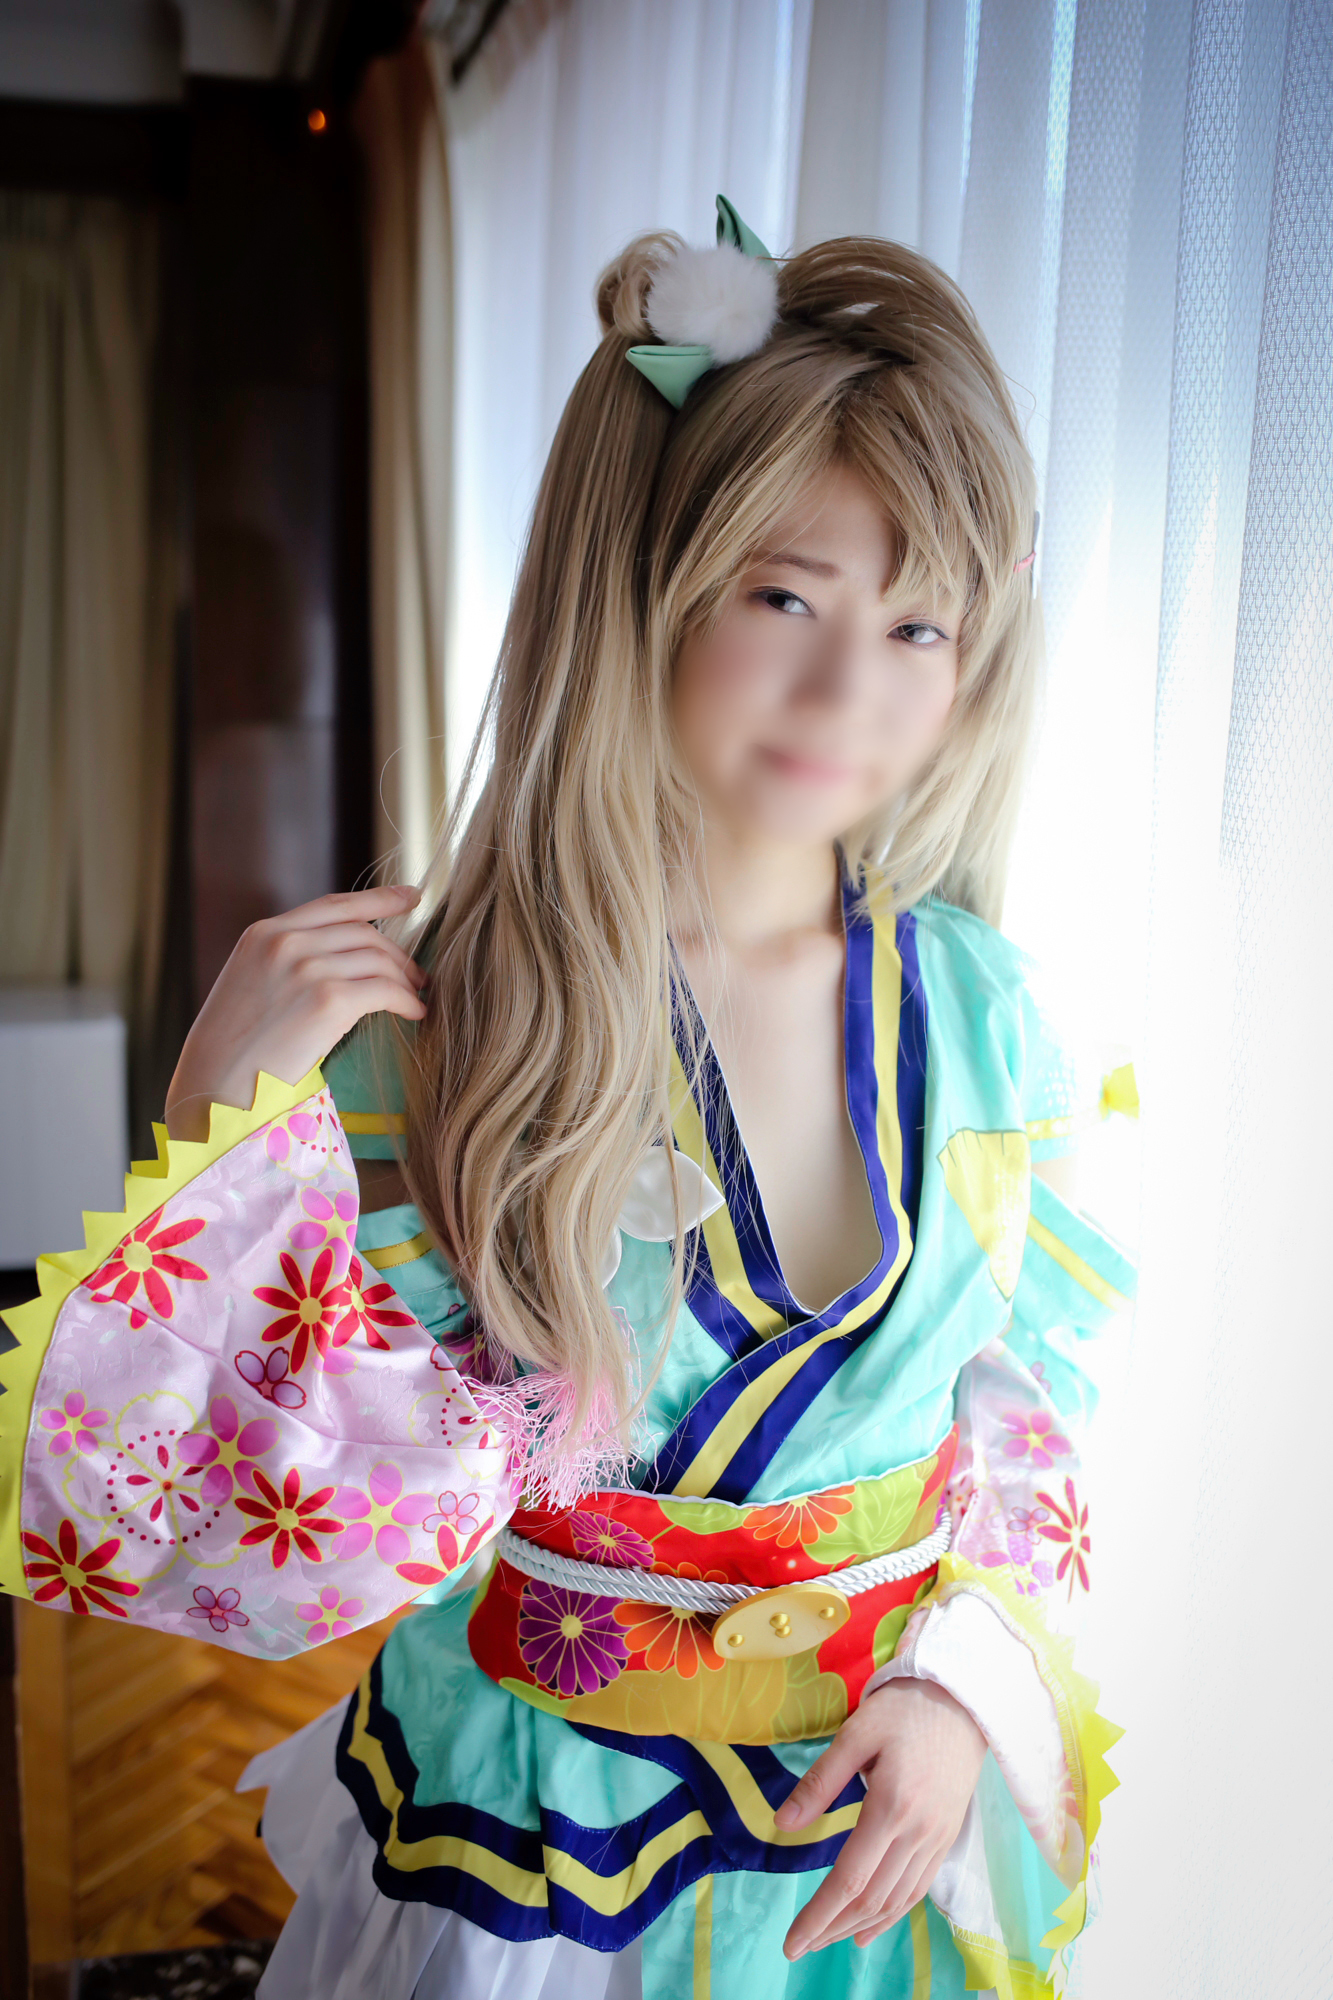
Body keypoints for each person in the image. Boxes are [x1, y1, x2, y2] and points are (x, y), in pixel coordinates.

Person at [0, 197, 1136, 1999]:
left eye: (921, 626)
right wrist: (219, 1120)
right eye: (784, 597)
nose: (850, 688)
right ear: (641, 582)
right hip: (519, 1857)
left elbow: (1031, 1419)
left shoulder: (990, 1021)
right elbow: (257, 1524)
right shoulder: (455, 1017)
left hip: (869, 1838)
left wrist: (960, 1687)